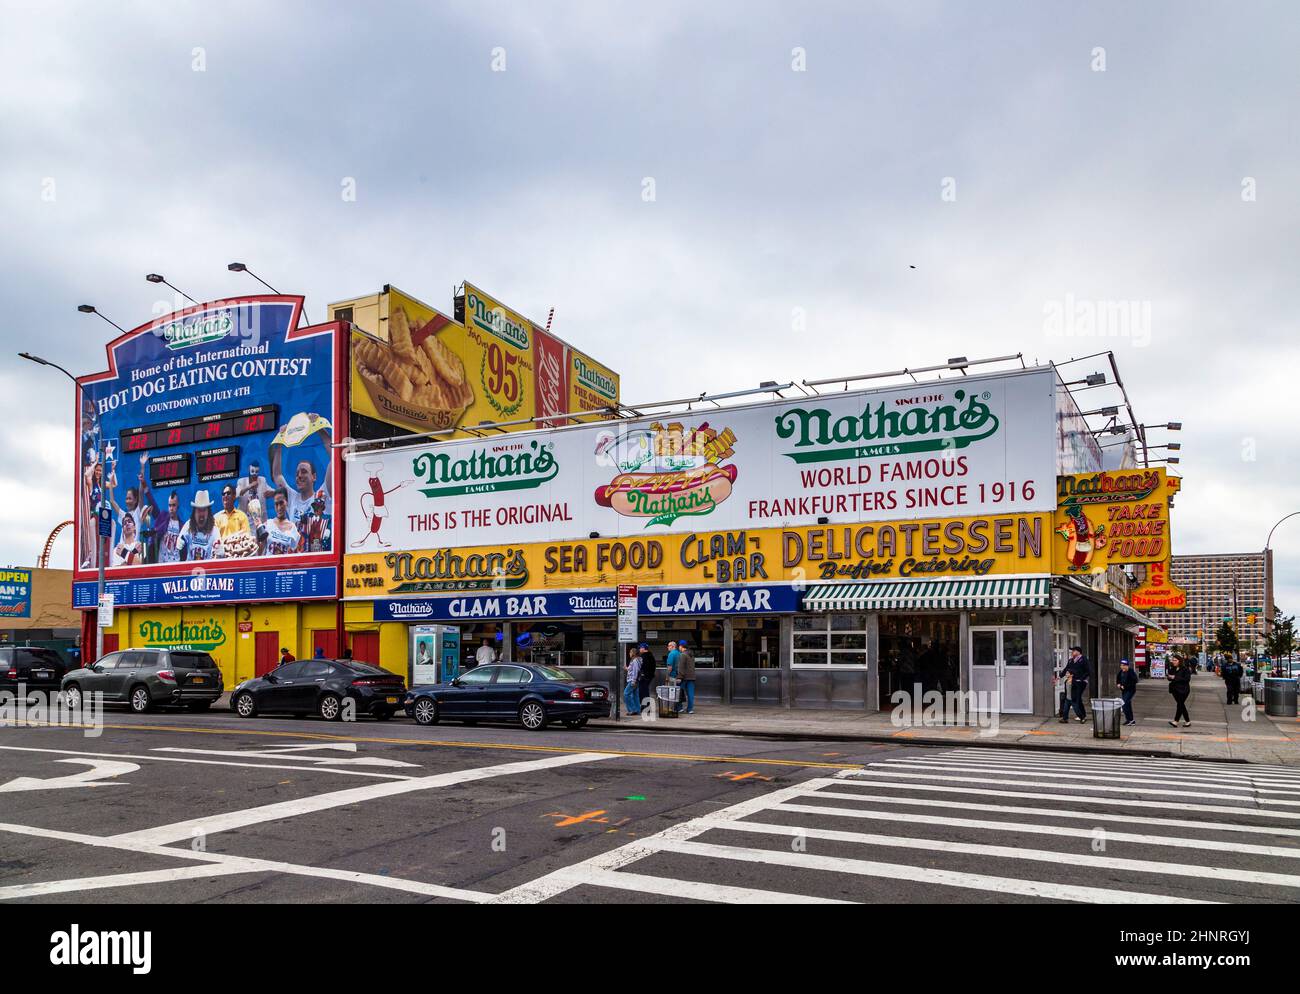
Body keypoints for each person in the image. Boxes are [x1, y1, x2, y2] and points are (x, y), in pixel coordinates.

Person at [178, 490, 223, 561]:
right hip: (189, 568)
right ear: (194, 512)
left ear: (208, 512)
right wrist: (180, 545)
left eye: (204, 510)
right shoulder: (188, 525)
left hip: (207, 569)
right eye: (199, 510)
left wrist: (219, 551)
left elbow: (221, 552)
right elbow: (179, 545)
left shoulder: (214, 530)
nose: (201, 514)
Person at [260, 488, 302, 556]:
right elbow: (259, 551)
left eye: (281, 503)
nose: (279, 508)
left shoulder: (293, 528)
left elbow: (296, 554)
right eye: (276, 504)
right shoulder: (267, 524)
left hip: (285, 566)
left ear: (287, 502)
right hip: (269, 565)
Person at [1058, 645, 1090, 723]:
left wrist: (1081, 679)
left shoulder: (1084, 659)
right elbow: (1066, 669)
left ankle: (1082, 716)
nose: (1072, 652)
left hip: (1080, 682)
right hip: (1071, 681)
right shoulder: (1070, 660)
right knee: (1074, 699)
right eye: (1072, 651)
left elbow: (1088, 671)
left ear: (1078, 652)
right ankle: (1080, 715)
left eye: (1074, 651)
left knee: (1076, 698)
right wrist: (1059, 676)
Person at [1167, 653, 1192, 727]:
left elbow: (1187, 679)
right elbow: (1169, 678)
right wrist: (1169, 677)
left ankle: (1176, 721)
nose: (1173, 661)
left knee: (1180, 704)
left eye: (1175, 660)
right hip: (1174, 690)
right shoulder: (1173, 668)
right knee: (1181, 705)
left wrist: (1175, 677)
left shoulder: (1185, 669)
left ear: (1179, 661)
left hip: (1183, 690)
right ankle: (1187, 721)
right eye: (1173, 660)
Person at [676, 637, 697, 715]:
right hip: (692, 677)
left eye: (679, 646)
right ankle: (690, 709)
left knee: (679, 693)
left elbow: (681, 667)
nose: (679, 647)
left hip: (684, 677)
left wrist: (679, 677)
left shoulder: (682, 655)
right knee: (690, 694)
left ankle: (679, 708)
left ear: (681, 646)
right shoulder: (691, 655)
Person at [1117, 657, 1138, 726]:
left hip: (1130, 690)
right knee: (1127, 704)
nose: (1122, 667)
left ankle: (1130, 719)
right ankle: (1130, 720)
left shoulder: (1131, 672)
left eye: (1124, 665)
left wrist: (1125, 686)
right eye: (1121, 665)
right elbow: (1118, 679)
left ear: (1127, 666)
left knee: (1125, 704)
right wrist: (1118, 684)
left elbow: (1135, 680)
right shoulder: (1121, 672)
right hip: (1124, 690)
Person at [624, 646, 642, 715]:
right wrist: (627, 668)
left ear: (633, 653)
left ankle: (631, 710)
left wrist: (633, 681)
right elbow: (631, 669)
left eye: (630, 652)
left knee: (626, 694)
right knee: (635, 695)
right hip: (635, 680)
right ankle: (637, 710)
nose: (629, 653)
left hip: (633, 680)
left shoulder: (635, 660)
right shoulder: (637, 660)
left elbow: (635, 671)